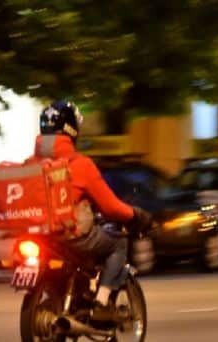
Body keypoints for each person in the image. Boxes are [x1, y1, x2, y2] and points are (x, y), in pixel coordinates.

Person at [34, 100, 153, 321]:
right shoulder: (80, 164)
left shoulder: (31, 163)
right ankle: (101, 301)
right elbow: (110, 207)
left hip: (40, 236)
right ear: (72, 129)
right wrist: (136, 215)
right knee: (118, 243)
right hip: (68, 236)